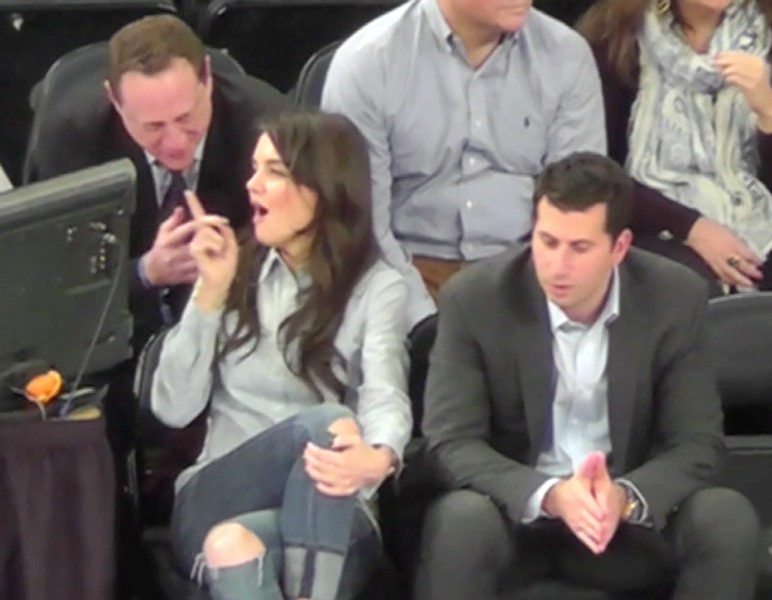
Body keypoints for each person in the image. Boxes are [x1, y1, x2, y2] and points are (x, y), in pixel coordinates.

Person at [417, 152, 760, 600]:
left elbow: (697, 442)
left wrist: (625, 497)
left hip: (625, 522)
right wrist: (550, 495)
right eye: (547, 241)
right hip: (515, 521)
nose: (558, 265)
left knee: (725, 517)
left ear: (619, 247)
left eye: (579, 248)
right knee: (460, 519)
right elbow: (450, 441)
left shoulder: (674, 297)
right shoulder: (476, 299)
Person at [151, 111, 412, 600]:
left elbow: (385, 391)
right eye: (255, 169)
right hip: (218, 496)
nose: (253, 185)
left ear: (322, 188)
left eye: (274, 172)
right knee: (327, 425)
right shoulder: (232, 268)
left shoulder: (377, 288)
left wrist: (379, 459)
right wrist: (210, 292)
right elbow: (172, 407)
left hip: (329, 511)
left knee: (233, 547)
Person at [322, 0, 606, 328]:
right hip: (407, 271)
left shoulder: (566, 55)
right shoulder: (369, 62)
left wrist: (540, 303)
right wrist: (421, 320)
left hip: (526, 273)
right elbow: (361, 223)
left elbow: (579, 204)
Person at [30, 14, 290, 350]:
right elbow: (50, 282)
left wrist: (232, 268)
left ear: (207, 78)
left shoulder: (269, 129)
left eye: (186, 117)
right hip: (109, 338)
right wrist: (144, 273)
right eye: (153, 126)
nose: (176, 142)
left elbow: (300, 255)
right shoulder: (70, 141)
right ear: (115, 102)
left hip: (239, 324)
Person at [577, 0, 772, 293]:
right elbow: (595, 170)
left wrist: (768, 112)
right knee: (688, 285)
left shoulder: (766, 33)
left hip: (756, 219)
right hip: (648, 219)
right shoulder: (613, 36)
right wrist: (692, 227)